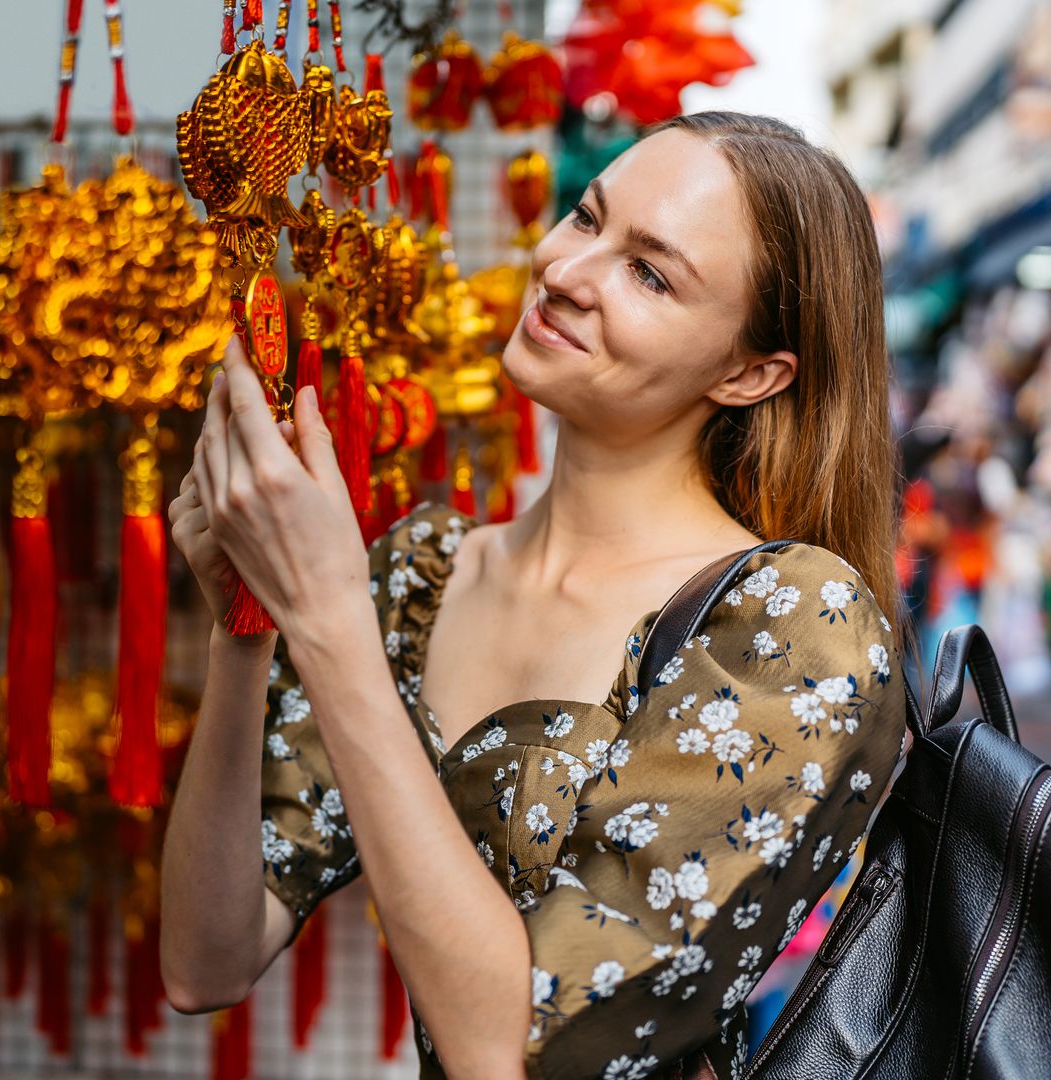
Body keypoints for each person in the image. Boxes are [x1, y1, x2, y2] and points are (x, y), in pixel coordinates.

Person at [161, 112, 909, 1080]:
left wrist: (327, 616)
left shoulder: (793, 630)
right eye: (586, 217)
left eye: (649, 272)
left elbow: (514, 1054)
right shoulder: (423, 576)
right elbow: (203, 957)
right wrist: (246, 630)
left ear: (749, 372)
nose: (565, 270)